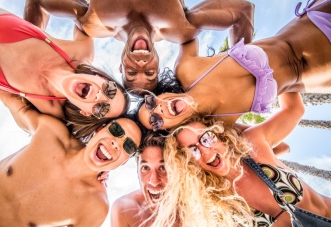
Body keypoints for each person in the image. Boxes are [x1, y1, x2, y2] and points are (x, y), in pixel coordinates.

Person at [143, 92, 331, 227]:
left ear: (218, 132)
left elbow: (294, 109)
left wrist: (278, 62)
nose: (206, 151)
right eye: (193, 150)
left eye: (206, 138)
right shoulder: (220, 203)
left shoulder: (253, 145)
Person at [0, 87, 141, 227]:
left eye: (128, 146)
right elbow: (9, 98)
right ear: (99, 129)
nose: (116, 143)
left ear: (124, 162)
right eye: (116, 130)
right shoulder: (52, 132)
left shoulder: (94, 208)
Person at [137, 0, 331, 131]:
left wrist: (241, 50)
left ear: (158, 94)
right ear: (168, 131)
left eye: (151, 103)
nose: (159, 109)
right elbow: (273, 147)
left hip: (318, 21)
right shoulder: (221, 126)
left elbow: (242, 10)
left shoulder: (188, 69)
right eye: (155, 120)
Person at [24, 0, 255, 92]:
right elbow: (243, 11)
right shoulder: (181, 29)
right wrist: (242, 73)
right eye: (150, 72)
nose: (142, 64)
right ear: (158, 62)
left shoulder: (93, 24)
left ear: (121, 67)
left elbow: (40, 2)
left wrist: (28, 50)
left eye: (133, 72)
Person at [0, 0, 130, 126]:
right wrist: (31, 28)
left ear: (86, 113)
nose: (99, 95)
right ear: (101, 77)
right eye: (109, 89)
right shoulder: (79, 53)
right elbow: (86, 12)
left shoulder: (48, 112)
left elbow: (42, 135)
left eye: (102, 109)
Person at [111, 131, 181, 227]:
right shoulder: (124, 210)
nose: (154, 181)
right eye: (145, 168)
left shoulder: (197, 209)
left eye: (163, 168)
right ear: (137, 170)